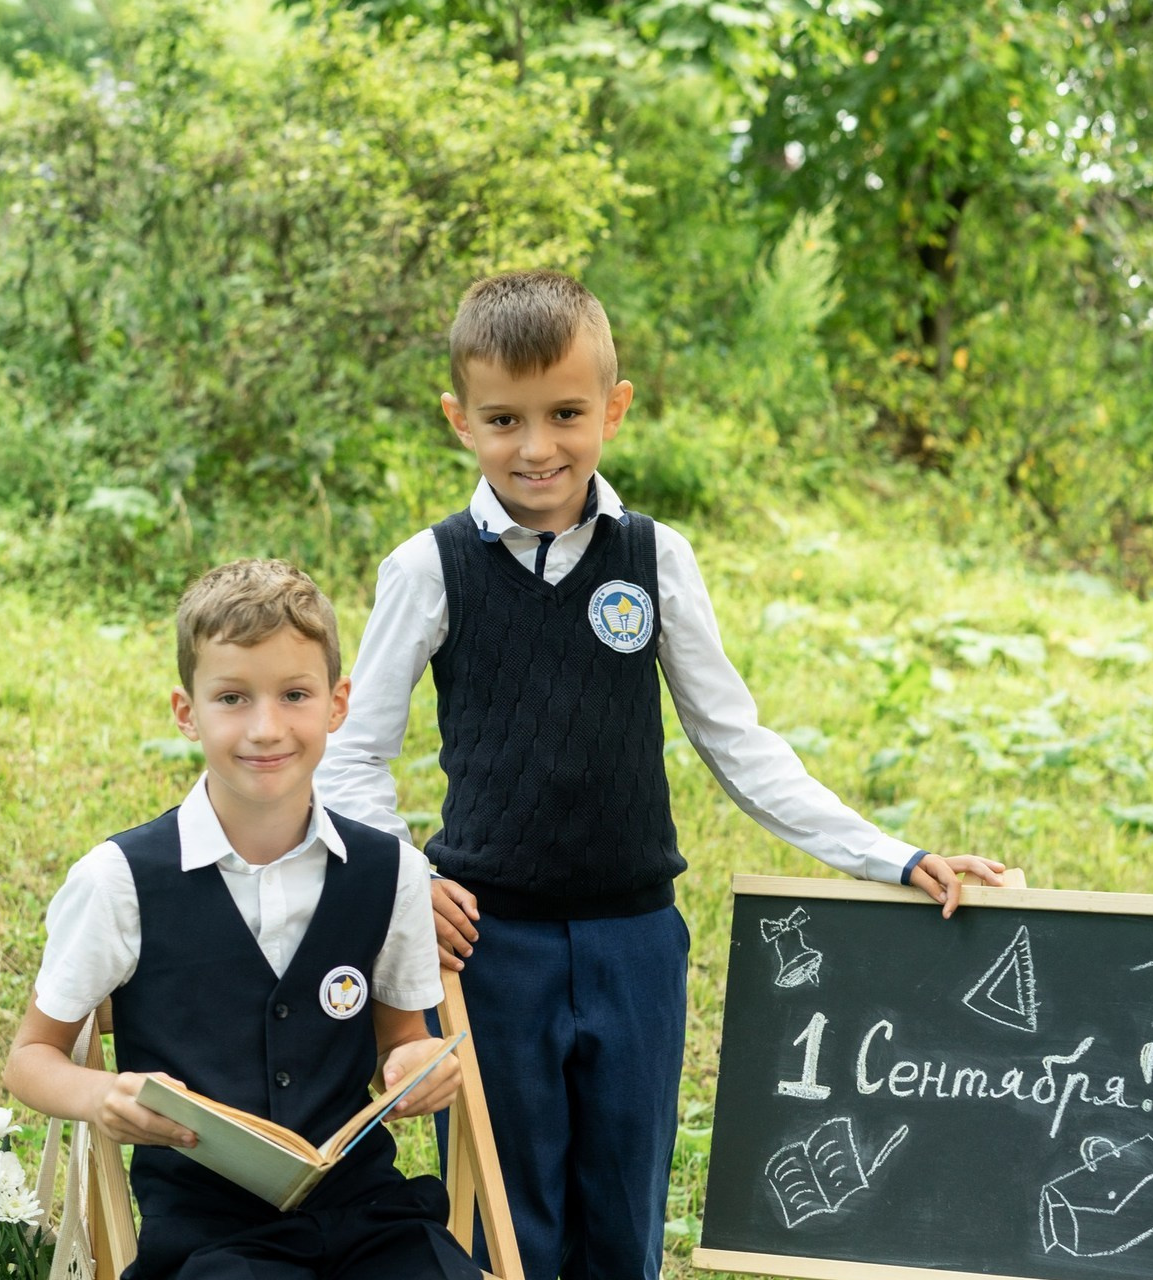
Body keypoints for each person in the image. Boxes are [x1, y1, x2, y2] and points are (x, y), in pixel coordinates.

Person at [315, 269, 1006, 1280]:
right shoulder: (428, 566)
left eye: (565, 413)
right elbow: (352, 752)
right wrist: (408, 879)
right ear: (460, 420)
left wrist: (889, 856)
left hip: (635, 941)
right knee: (504, 1219)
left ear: (614, 407)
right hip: (489, 945)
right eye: (504, 420)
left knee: (624, 1215)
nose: (536, 446)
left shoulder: (654, 556)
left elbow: (736, 740)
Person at [4, 558, 482, 1280]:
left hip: (371, 1219)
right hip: (210, 1240)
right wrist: (101, 1096)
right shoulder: (120, 880)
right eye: (232, 698)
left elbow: (403, 1040)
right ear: (186, 711)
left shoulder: (392, 872)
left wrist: (414, 1067)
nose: (266, 728)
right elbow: (29, 1059)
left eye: (295, 695)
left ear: (337, 704)